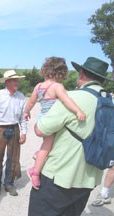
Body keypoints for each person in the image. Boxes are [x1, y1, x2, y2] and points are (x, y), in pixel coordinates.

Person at [28, 56, 113, 216]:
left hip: (59, 178)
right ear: (101, 80)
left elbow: (41, 130)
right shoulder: (108, 102)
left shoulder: (72, 97)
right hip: (88, 180)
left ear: (81, 73)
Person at [24, 57, 86, 190]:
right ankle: (35, 172)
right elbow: (66, 100)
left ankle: (39, 155)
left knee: (49, 144)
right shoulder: (57, 86)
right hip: (51, 121)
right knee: (47, 147)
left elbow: (31, 102)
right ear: (61, 73)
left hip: (42, 119)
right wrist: (78, 111)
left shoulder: (39, 86)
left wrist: (26, 112)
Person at [0, 69, 27, 197]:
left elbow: (23, 117)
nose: (17, 82)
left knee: (13, 158)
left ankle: (9, 183)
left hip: (14, 129)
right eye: (14, 80)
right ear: (7, 82)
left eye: (17, 80)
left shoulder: (21, 96)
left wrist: (24, 132)